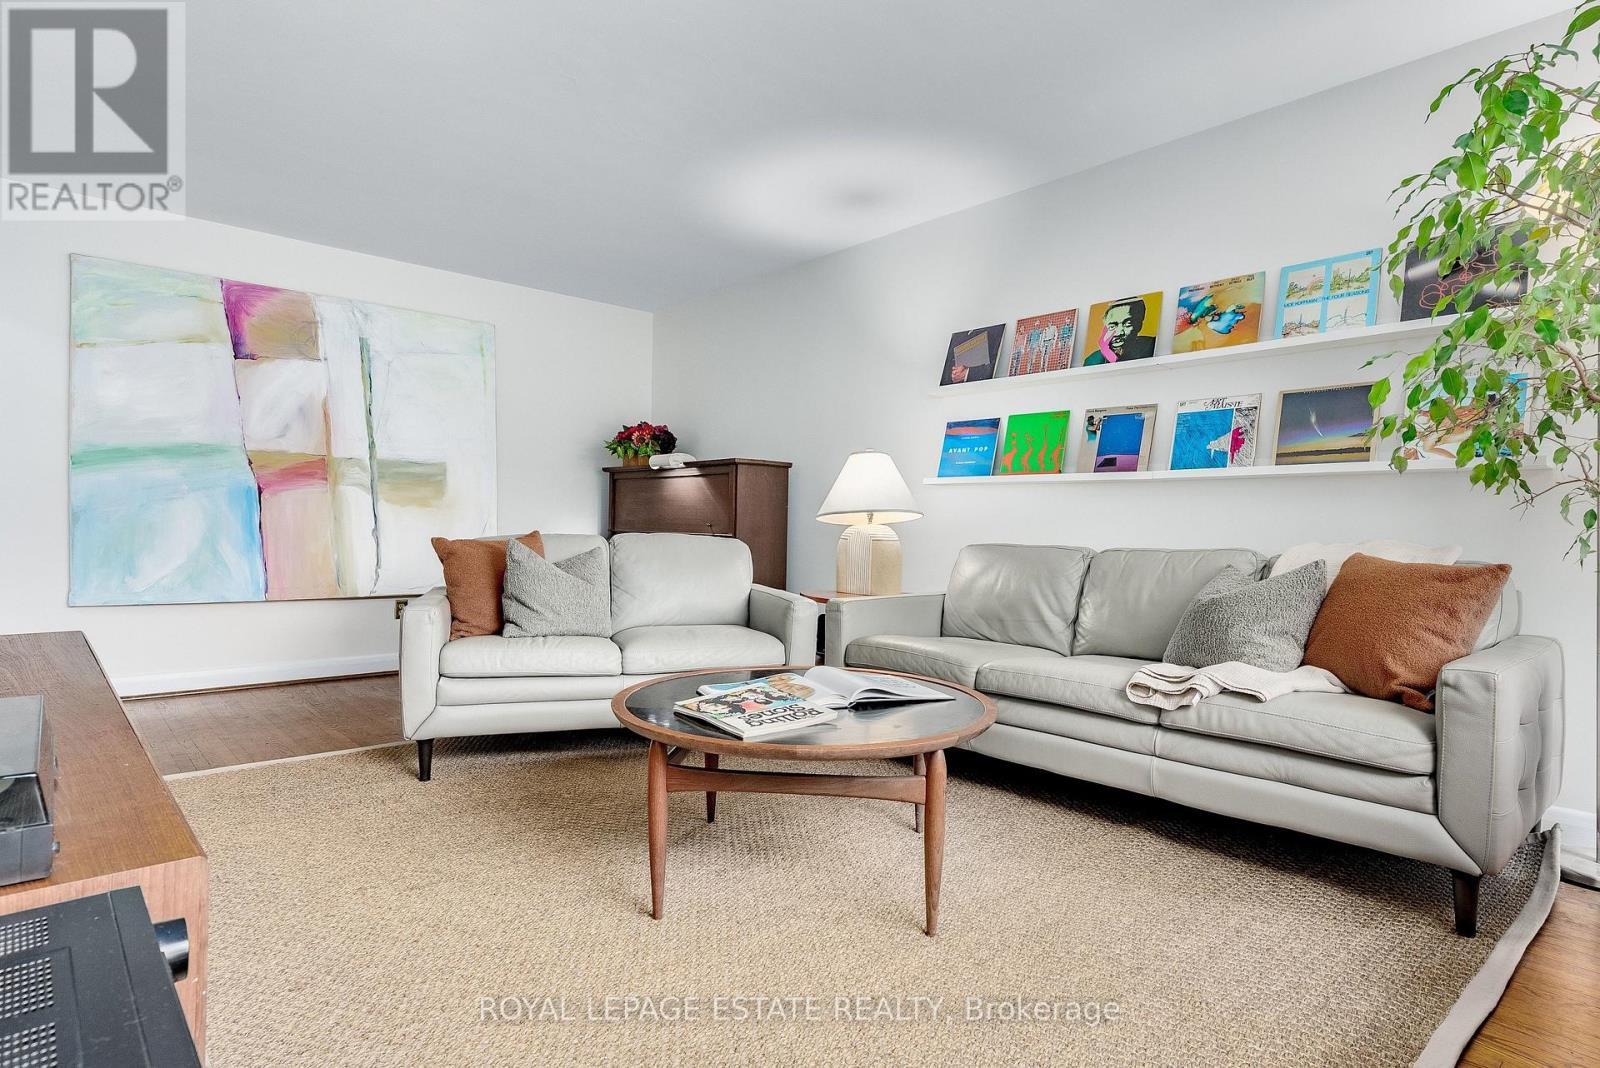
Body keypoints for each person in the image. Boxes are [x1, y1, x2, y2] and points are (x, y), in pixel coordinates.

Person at [1085, 298, 1155, 364]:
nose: (1119, 333)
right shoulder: (1092, 360)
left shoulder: (1151, 346)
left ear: (1139, 325)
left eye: (1127, 324)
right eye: (1112, 326)